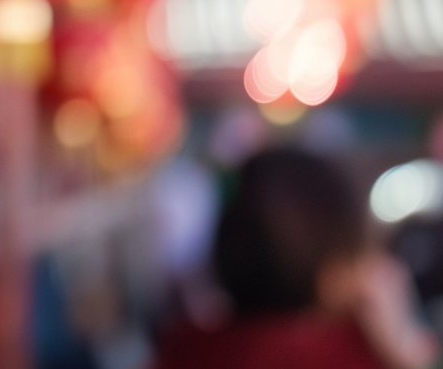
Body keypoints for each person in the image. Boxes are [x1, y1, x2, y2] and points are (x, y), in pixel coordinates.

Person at [153, 148, 439, 369]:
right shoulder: (353, 357)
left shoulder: (180, 349)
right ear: (334, 276)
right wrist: (404, 349)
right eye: (363, 254)